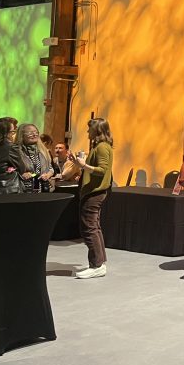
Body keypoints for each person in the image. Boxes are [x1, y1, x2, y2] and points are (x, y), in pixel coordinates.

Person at [71, 118, 114, 279]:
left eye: (89, 129)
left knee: (89, 228)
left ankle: (96, 264)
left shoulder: (102, 147)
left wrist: (83, 165)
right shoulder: (101, 147)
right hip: (94, 191)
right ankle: (98, 263)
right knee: (94, 226)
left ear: (97, 131)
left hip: (94, 193)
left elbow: (102, 170)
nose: (87, 132)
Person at [16, 123, 55, 192]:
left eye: (36, 132)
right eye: (30, 133)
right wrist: (21, 174)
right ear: (22, 135)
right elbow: (10, 169)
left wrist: (48, 175)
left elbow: (51, 168)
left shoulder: (43, 151)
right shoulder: (16, 152)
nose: (34, 135)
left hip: (42, 189)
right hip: (25, 190)